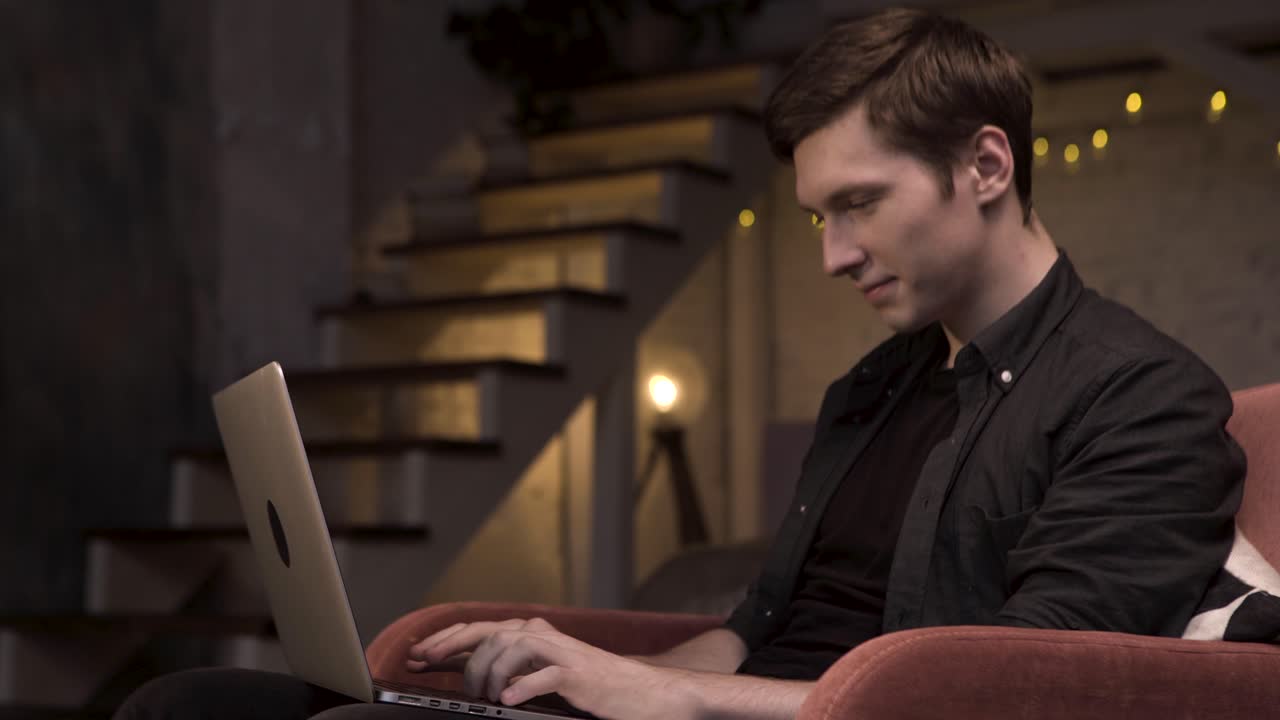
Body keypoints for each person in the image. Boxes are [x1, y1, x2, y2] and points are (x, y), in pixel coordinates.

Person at [116, 7, 1244, 720]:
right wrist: (566, 662)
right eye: (815, 215)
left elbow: (1005, 691)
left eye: (857, 205)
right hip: (713, 708)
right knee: (193, 699)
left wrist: (670, 697)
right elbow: (753, 622)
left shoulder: (1140, 396)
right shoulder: (872, 386)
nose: (832, 255)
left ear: (985, 164)